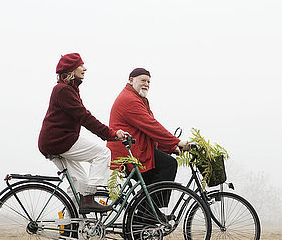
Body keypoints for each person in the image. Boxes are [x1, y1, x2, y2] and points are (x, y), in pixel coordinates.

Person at [38, 53, 126, 214]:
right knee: (103, 153)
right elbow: (84, 117)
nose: (85, 68)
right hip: (59, 141)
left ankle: (69, 230)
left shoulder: (69, 89)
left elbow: (83, 115)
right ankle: (88, 199)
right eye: (81, 65)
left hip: (56, 142)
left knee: (80, 184)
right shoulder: (63, 90)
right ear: (71, 69)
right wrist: (111, 134)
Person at [107, 68, 189, 207]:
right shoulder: (129, 99)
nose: (146, 84)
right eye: (143, 80)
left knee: (155, 181)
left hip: (137, 150)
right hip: (128, 154)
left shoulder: (138, 98)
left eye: (149, 82)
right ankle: (146, 216)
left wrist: (172, 147)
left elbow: (149, 131)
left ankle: (145, 217)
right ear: (131, 80)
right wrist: (177, 142)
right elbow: (151, 126)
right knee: (168, 165)